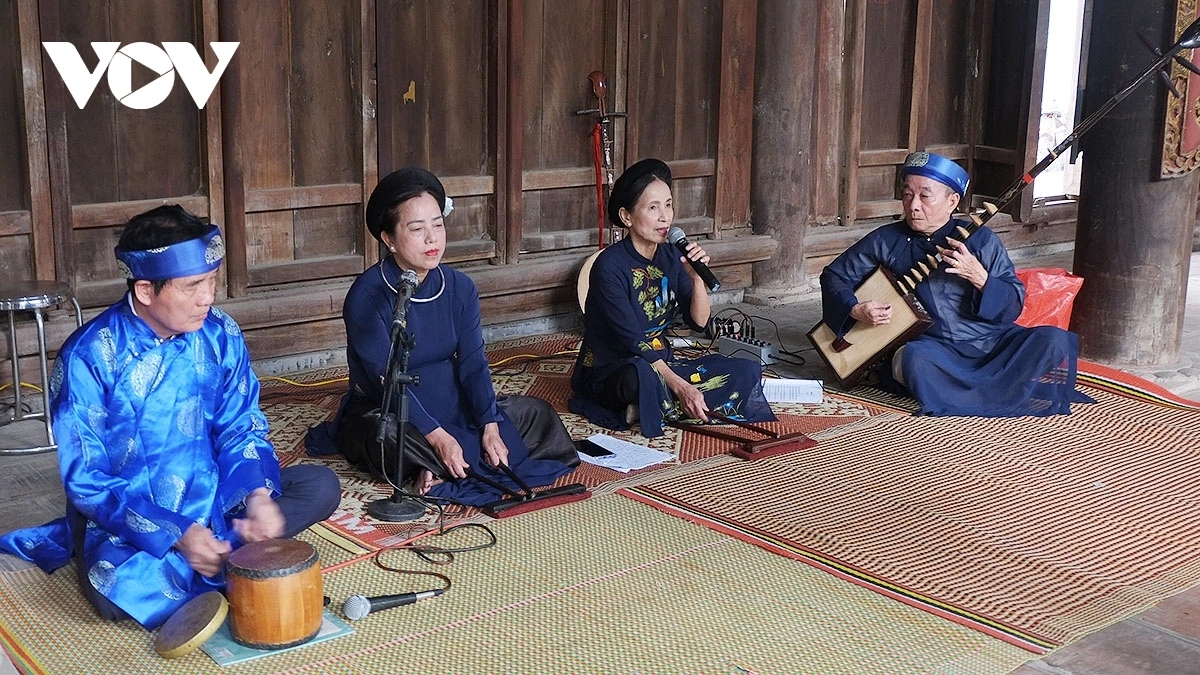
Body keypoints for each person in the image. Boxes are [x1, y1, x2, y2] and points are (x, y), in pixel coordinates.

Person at [0, 205, 341, 630]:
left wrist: (256, 495)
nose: (208, 297)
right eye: (193, 285)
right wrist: (177, 531)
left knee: (320, 486)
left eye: (212, 280)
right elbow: (85, 479)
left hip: (217, 496)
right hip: (136, 517)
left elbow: (241, 425)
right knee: (116, 589)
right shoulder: (90, 355)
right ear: (146, 290)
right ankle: (225, 558)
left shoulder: (220, 332)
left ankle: (220, 552)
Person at [306, 167, 579, 506]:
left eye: (437, 225)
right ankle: (430, 462)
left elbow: (473, 363)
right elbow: (386, 380)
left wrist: (490, 424)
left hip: (451, 401)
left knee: (535, 412)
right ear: (388, 239)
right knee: (388, 436)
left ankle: (433, 469)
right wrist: (438, 438)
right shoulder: (367, 295)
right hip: (389, 406)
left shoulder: (459, 287)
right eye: (417, 229)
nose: (432, 238)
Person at [819, 151, 1092, 416]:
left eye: (925, 196)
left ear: (952, 201)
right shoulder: (885, 239)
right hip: (935, 348)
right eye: (907, 194)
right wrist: (855, 309)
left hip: (989, 343)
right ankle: (999, 388)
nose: (913, 205)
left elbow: (1013, 305)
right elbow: (835, 276)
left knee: (1053, 341)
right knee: (914, 360)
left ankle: (964, 392)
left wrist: (981, 278)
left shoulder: (981, 240)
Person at [569, 158, 775, 437]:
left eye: (668, 205)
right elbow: (633, 340)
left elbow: (699, 322)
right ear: (627, 216)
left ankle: (644, 409)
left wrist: (695, 277)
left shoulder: (670, 256)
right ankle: (651, 401)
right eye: (653, 208)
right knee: (639, 377)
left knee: (746, 369)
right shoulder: (609, 266)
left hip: (662, 363)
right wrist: (681, 387)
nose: (665, 216)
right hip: (616, 366)